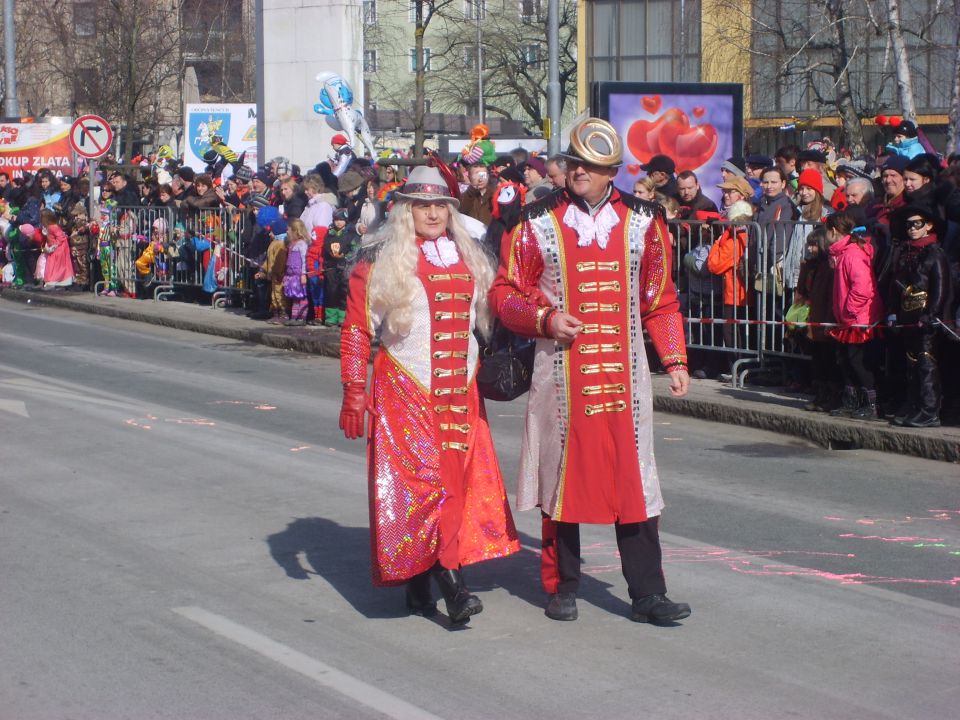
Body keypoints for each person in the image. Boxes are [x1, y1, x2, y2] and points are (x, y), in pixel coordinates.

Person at [489, 117, 691, 625]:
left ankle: (648, 594)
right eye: (574, 163)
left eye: (590, 166)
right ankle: (562, 586)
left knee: (636, 481)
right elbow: (504, 293)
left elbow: (660, 299)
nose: (578, 172)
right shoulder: (534, 222)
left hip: (627, 377)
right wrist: (545, 318)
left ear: (612, 172)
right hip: (560, 374)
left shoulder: (646, 220)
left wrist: (676, 359)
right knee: (563, 482)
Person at [338, 165, 519, 623]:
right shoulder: (379, 260)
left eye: (441, 205)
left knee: (455, 486)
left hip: (460, 391)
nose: (434, 213)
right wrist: (354, 391)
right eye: (423, 205)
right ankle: (453, 586)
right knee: (425, 487)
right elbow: (358, 330)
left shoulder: (469, 256)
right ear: (405, 211)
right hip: (406, 387)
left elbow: (490, 314)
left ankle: (420, 585)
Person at [887, 205, 952, 427]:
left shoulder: (935, 253)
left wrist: (931, 314)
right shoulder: (904, 252)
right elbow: (895, 287)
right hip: (907, 318)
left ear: (929, 226)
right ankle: (915, 407)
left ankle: (929, 410)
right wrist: (893, 314)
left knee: (926, 364)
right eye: (909, 225)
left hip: (926, 320)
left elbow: (941, 287)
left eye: (918, 224)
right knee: (911, 365)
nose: (913, 228)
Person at [825, 213, 884, 420]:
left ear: (833, 231)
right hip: (849, 317)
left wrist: (849, 310)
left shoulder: (852, 254)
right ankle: (852, 401)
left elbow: (862, 288)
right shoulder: (843, 254)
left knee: (858, 362)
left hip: (858, 317)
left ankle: (872, 404)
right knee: (846, 360)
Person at [321, 208, 357, 326]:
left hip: (345, 266)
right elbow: (325, 246)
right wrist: (330, 253)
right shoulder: (330, 233)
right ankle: (331, 317)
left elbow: (355, 249)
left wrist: (346, 256)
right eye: (336, 220)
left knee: (343, 291)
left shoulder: (350, 233)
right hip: (331, 266)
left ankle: (343, 317)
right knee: (331, 291)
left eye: (341, 220)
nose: (338, 222)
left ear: (346, 220)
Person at [282, 218, 310, 325]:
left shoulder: (302, 244)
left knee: (301, 296)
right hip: (291, 275)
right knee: (295, 297)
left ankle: (302, 317)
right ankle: (294, 317)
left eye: (289, 230)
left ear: (295, 231)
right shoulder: (291, 244)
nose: (287, 232)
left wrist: (303, 274)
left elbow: (304, 260)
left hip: (299, 275)